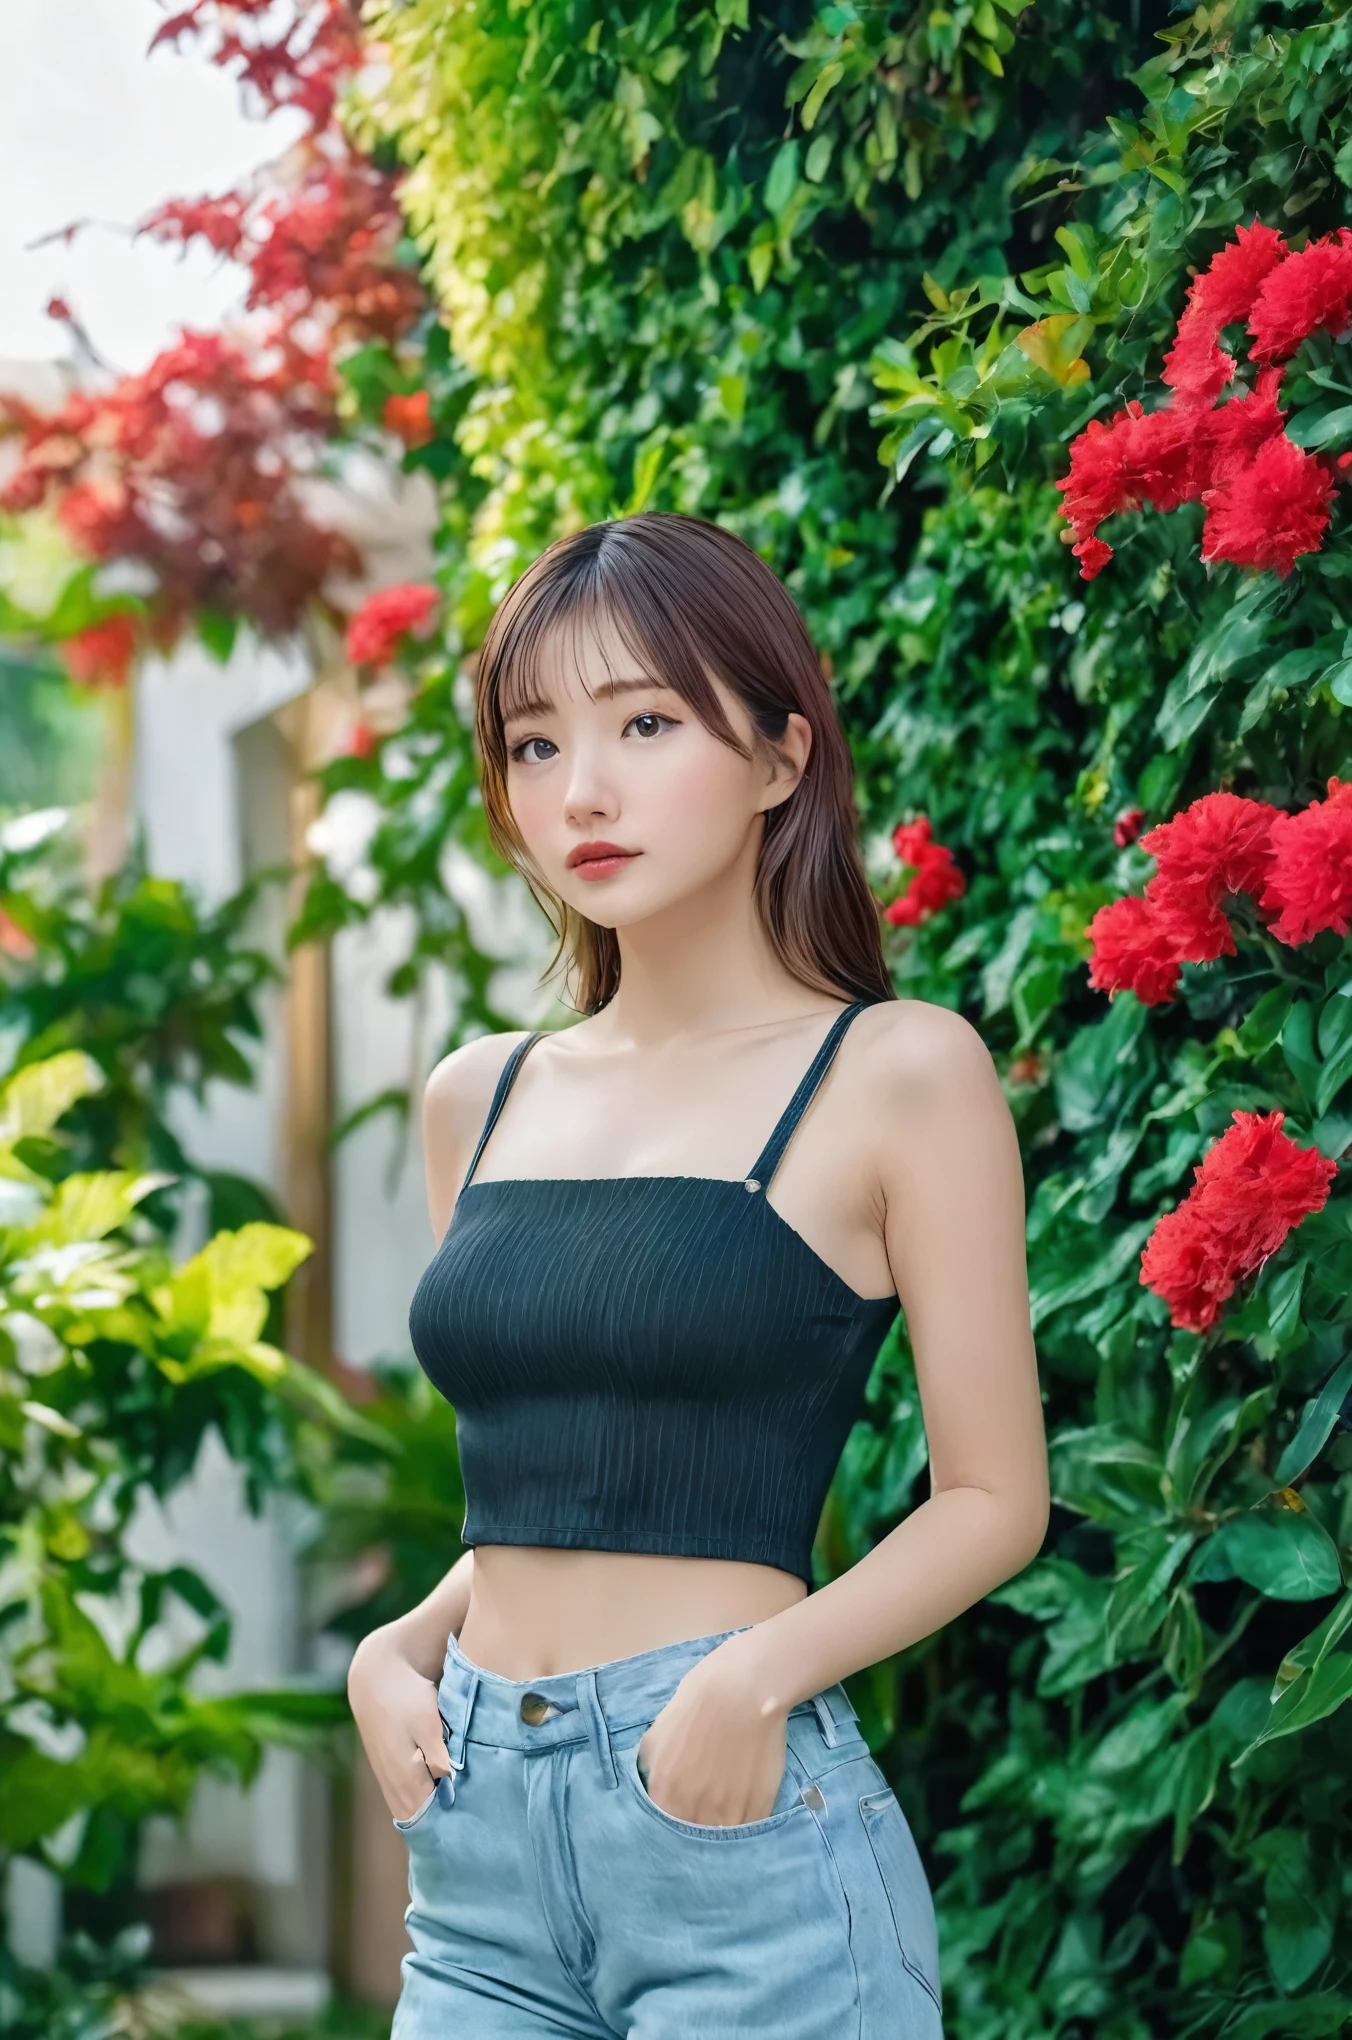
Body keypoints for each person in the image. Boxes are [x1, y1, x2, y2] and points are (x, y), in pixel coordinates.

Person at [348, 510, 1049, 2038]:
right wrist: (393, 1653)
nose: (580, 790)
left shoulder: (896, 1072)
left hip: (739, 1841)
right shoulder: (480, 1094)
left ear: (781, 758)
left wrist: (755, 1681)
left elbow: (997, 1499)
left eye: (647, 723)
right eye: (535, 746)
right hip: (477, 1861)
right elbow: (571, 1490)